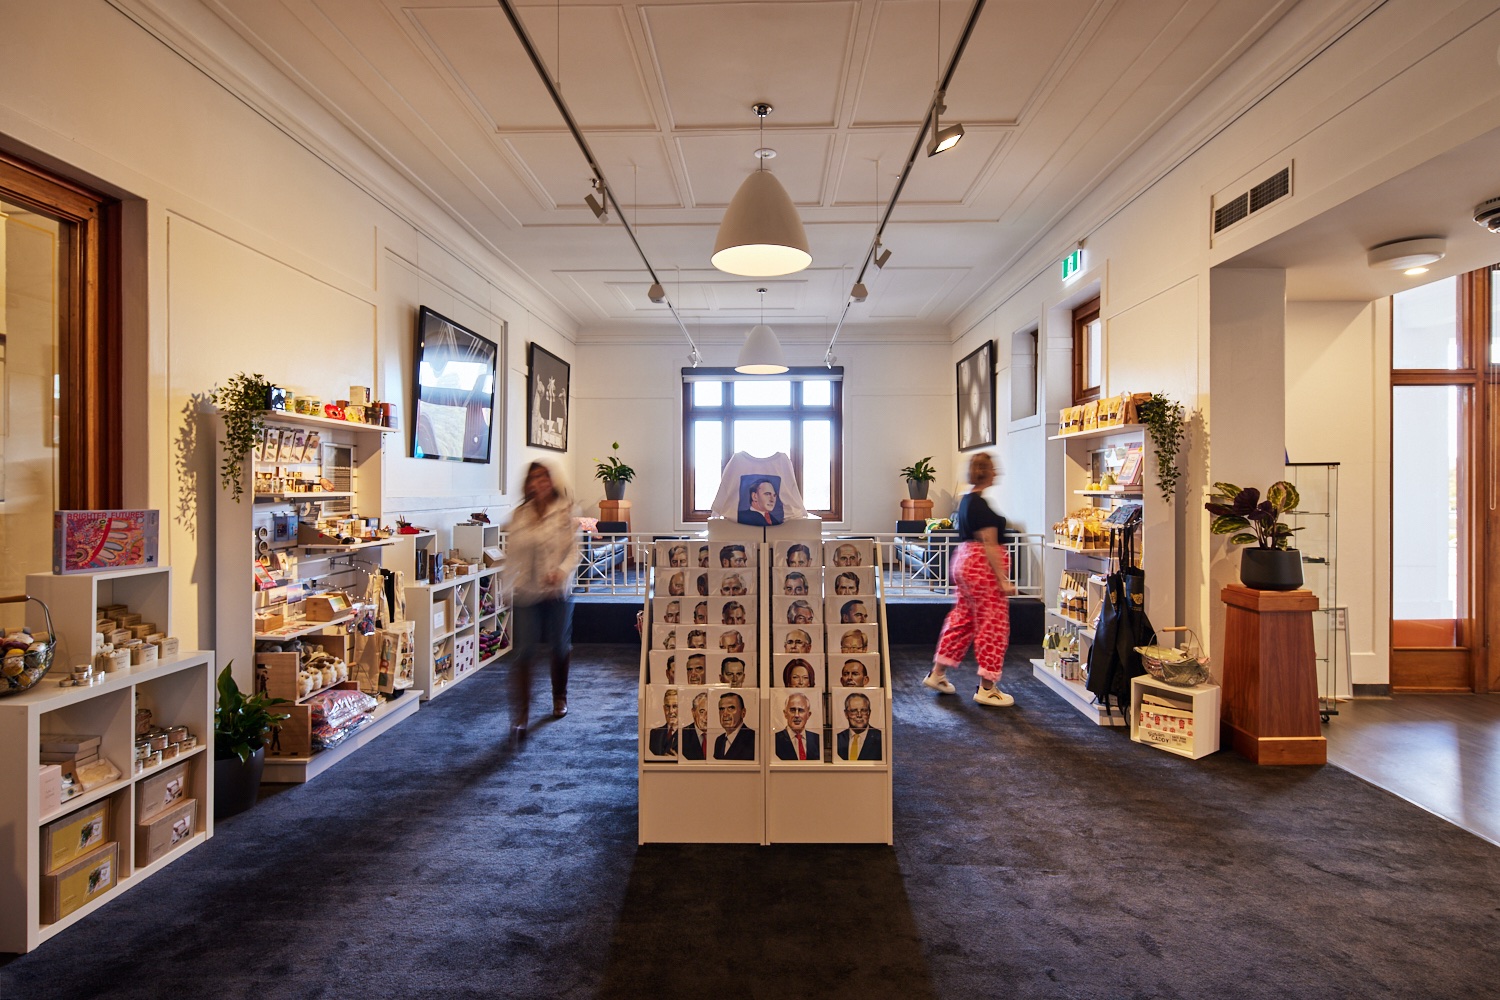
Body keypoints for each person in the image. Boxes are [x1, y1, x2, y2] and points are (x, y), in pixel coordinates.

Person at [925, 450, 1017, 707]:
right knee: (993, 624)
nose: (997, 472)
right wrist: (1003, 580)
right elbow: (989, 542)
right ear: (987, 473)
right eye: (994, 468)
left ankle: (937, 673)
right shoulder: (981, 505)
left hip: (964, 562)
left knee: (963, 619)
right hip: (981, 568)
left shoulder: (967, 501)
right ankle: (987, 688)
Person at [503, 459, 579, 745]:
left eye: (543, 477)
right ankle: (520, 716)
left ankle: (559, 697)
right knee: (523, 652)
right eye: (533, 478)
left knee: (559, 645)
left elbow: (574, 552)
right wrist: (508, 586)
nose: (539, 483)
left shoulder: (565, 511)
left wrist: (559, 572)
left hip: (557, 591)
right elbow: (513, 555)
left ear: (551, 481)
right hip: (526, 592)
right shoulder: (520, 515)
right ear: (528, 484)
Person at [837, 692, 883, 761]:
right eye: (853, 711)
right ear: (846, 714)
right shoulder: (837, 739)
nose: (859, 715)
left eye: (863, 710)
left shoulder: (881, 738)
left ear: (869, 713)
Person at [774, 693, 821, 761]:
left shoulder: (817, 739)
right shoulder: (775, 739)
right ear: (785, 714)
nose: (796, 715)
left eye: (801, 710)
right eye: (792, 710)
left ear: (808, 715)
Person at [714, 692, 755, 760]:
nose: (725, 714)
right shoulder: (719, 740)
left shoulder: (753, 739)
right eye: (722, 709)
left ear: (743, 712)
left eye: (731, 708)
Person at [648, 689, 679, 756]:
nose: (671, 711)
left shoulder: (689, 735)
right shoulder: (654, 733)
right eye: (668, 707)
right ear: (664, 709)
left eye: (675, 706)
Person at [682, 692, 709, 760]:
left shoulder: (721, 737)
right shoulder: (682, 735)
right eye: (702, 712)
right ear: (693, 713)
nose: (706, 717)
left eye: (710, 712)